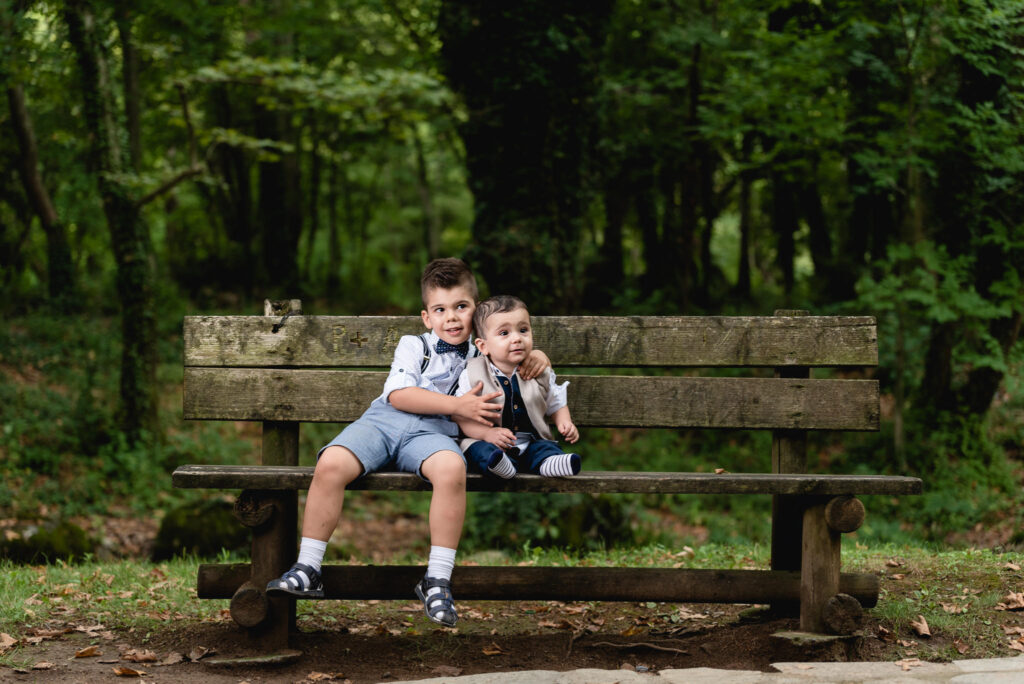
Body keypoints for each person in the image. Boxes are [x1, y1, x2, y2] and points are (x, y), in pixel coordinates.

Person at [265, 258, 550, 627]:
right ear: (426, 317)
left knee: (451, 468)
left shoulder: (485, 351)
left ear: (475, 310)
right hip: (384, 423)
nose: (451, 318)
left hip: (435, 436)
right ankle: (308, 566)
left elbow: (517, 351)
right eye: (440, 310)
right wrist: (458, 405)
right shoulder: (414, 345)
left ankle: (437, 580)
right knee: (331, 462)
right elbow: (399, 395)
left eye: (461, 307)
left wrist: (537, 356)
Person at [454, 295, 581, 479]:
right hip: (490, 441)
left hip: (530, 443)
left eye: (523, 330)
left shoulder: (538, 371)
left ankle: (550, 463)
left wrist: (564, 422)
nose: (517, 338)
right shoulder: (472, 373)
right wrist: (487, 433)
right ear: (483, 346)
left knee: (544, 448)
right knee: (477, 449)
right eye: (504, 333)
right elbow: (461, 416)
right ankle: (498, 464)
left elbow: (556, 400)